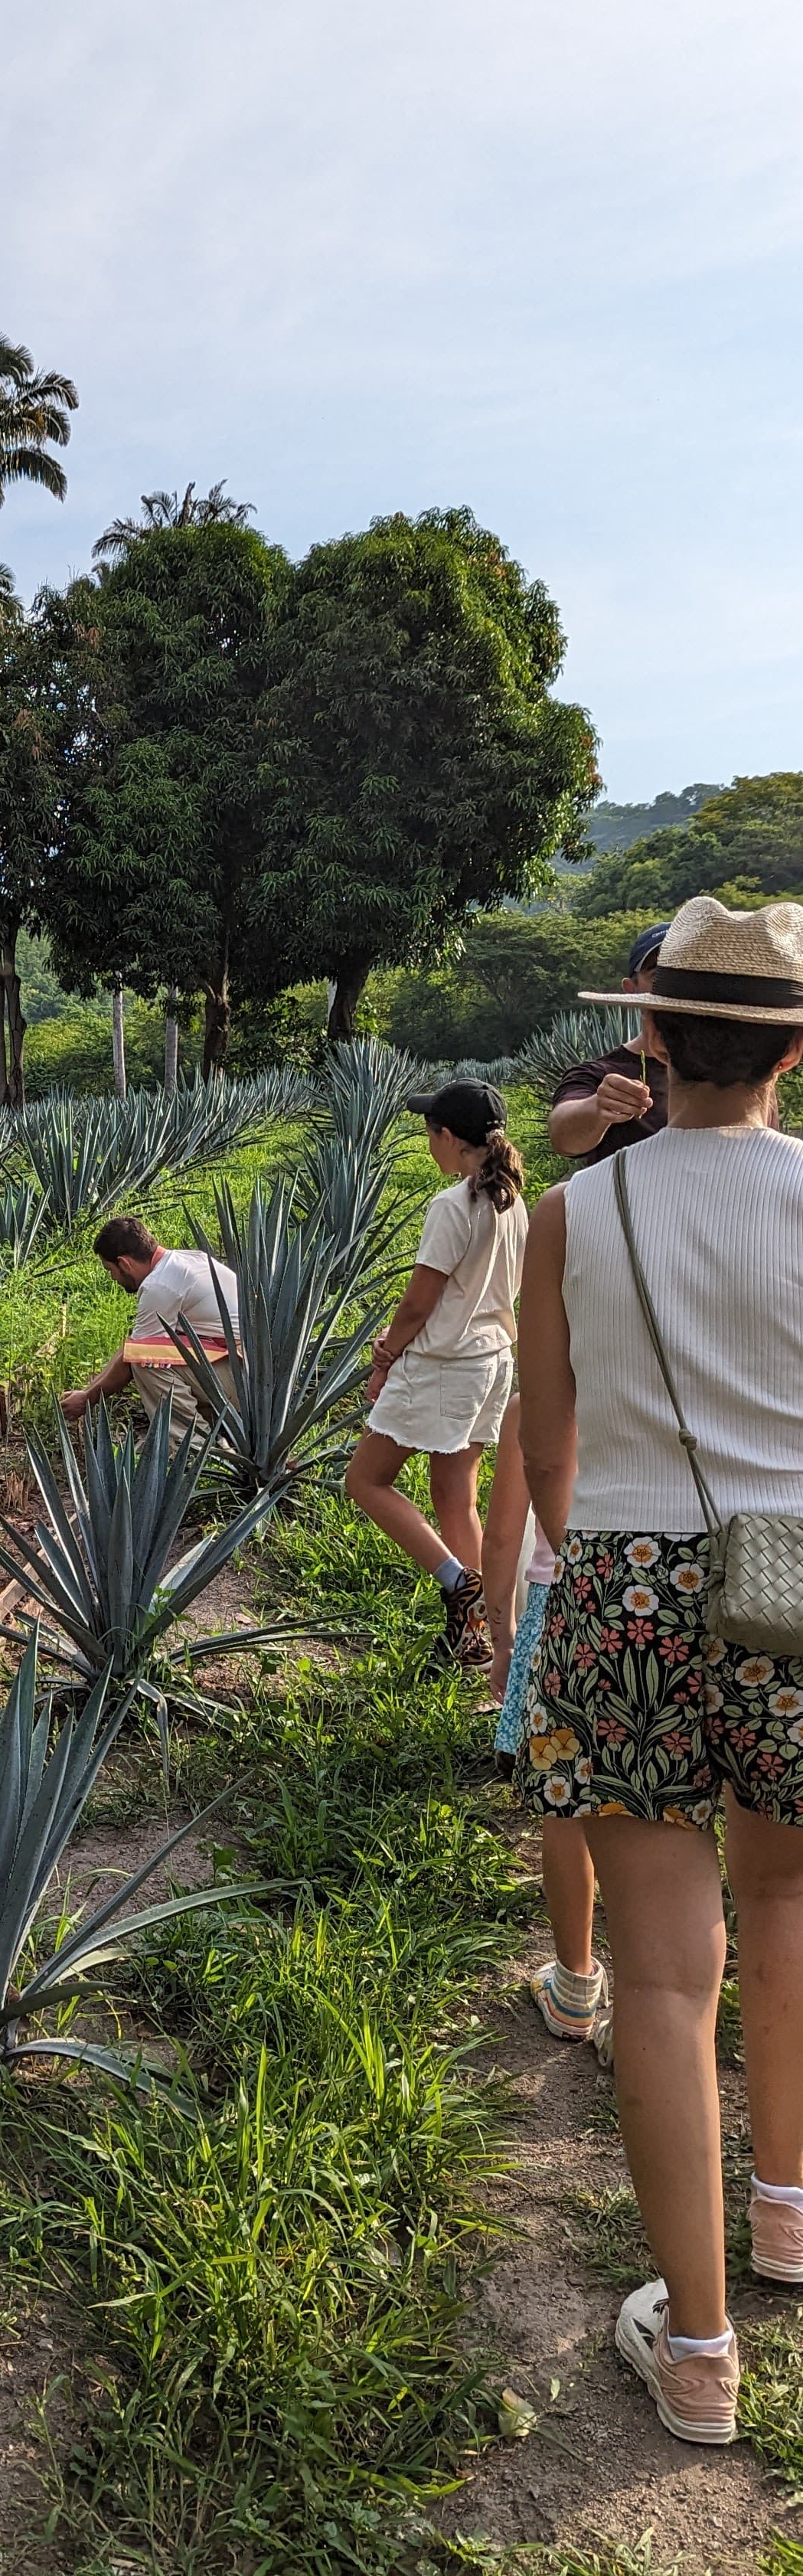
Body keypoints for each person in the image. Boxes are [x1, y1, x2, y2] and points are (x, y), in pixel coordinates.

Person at [518, 893, 803, 2450]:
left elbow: (546, 1440)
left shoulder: (581, 1213)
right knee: (788, 1903)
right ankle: (789, 2213)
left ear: (651, 1035)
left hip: (626, 1570)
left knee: (666, 1969)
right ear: (795, 1048)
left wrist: (599, 1570)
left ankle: (696, 2352)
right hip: (795, 1571)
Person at [344, 1078, 527, 1667]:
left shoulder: (453, 1206)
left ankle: (457, 1582)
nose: (428, 1143)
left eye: (430, 1133)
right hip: (492, 1361)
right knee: (455, 1497)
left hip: (444, 1364)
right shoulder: (512, 1202)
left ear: (449, 1138)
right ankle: (490, 1629)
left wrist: (383, 1357)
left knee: (365, 1481)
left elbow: (420, 1302)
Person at [484, 1398, 610, 2053]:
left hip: (565, 1607)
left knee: (567, 1806)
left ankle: (574, 1986)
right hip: (666, 1593)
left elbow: (505, 1533)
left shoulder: (534, 1404)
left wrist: (502, 1635)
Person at [59, 1215, 239, 1436]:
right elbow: (131, 1347)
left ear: (124, 1263)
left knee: (146, 1363)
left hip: (240, 1379)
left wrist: (87, 1400)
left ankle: (191, 1447)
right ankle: (215, 1433)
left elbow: (135, 1358)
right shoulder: (188, 1260)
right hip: (242, 1373)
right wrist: (87, 1392)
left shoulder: (160, 1286)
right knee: (145, 1351)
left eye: (110, 1270)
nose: (113, 1278)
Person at [547, 922, 670, 1163]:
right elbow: (562, 1134)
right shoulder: (597, 1074)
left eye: (682, 972)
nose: (672, 985)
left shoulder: (735, 1071)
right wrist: (598, 1107)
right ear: (631, 989)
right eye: (658, 975)